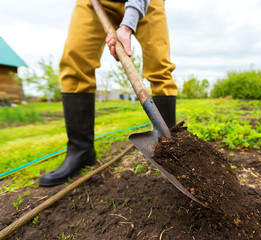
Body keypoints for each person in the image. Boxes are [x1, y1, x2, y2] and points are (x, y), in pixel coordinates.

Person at [39, 0, 177, 187]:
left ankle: (168, 147)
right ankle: (81, 151)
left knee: (159, 66)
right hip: (95, 3)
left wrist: (127, 25)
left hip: (148, 3)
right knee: (75, 63)